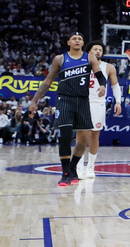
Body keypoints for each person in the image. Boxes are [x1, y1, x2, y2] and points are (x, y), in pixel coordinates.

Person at [29, 33, 108, 187]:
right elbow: (48, 80)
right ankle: (65, 173)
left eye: (80, 39)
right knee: (65, 135)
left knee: (84, 140)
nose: (77, 40)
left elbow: (100, 75)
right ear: (69, 42)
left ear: (83, 42)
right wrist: (34, 100)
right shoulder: (60, 59)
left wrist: (103, 86)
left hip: (83, 101)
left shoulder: (90, 58)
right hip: (65, 100)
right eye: (74, 39)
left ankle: (72, 168)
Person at [79, 41, 123, 179]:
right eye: (95, 49)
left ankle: (90, 167)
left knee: (94, 136)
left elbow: (115, 86)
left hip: (98, 103)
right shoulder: (81, 65)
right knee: (81, 136)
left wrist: (118, 102)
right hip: (82, 102)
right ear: (89, 51)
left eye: (100, 49)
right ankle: (79, 166)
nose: (98, 51)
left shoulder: (108, 67)